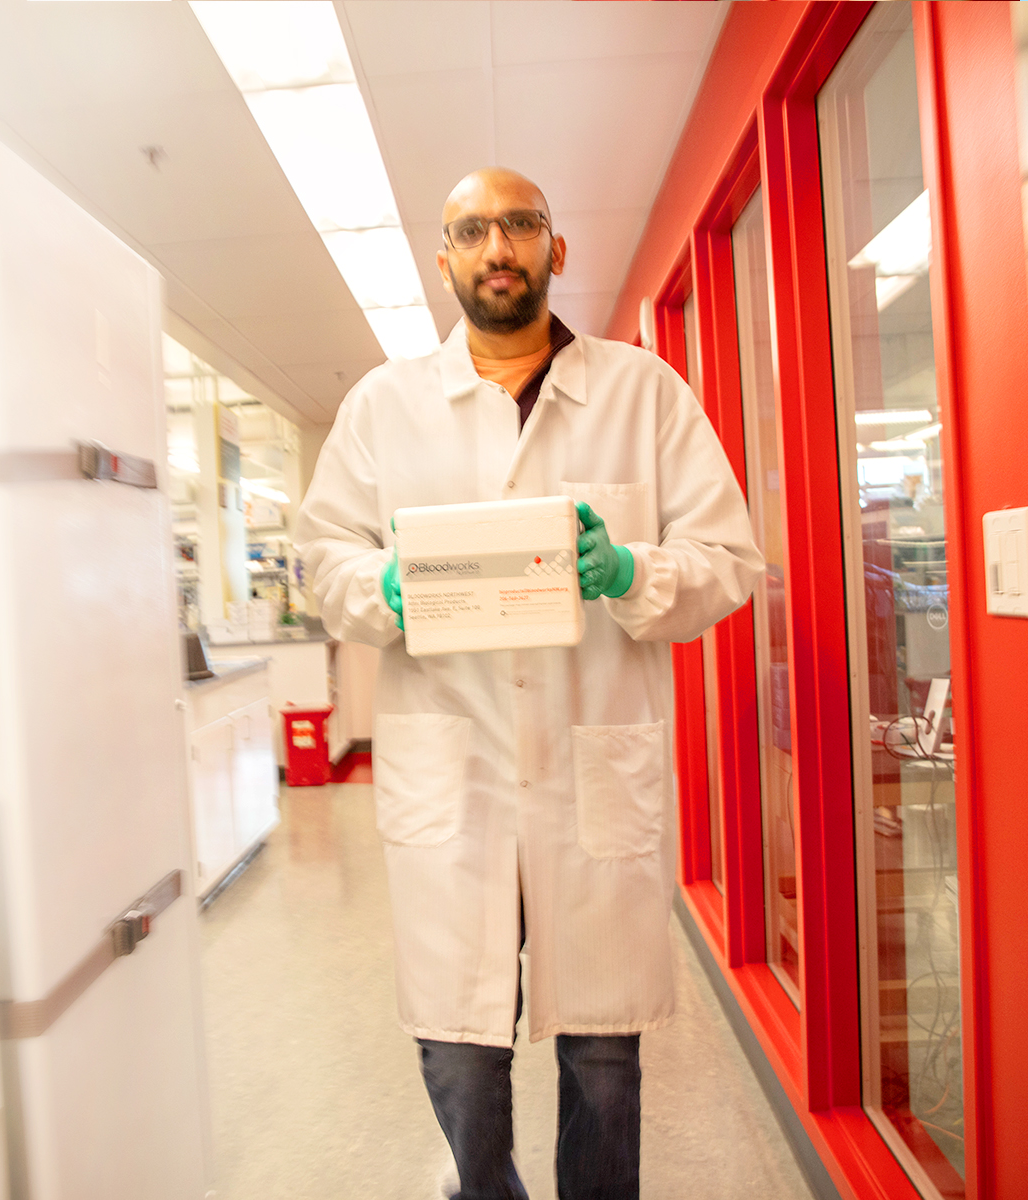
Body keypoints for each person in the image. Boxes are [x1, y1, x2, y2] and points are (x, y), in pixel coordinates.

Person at [293, 168, 763, 1200]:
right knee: (459, 1052)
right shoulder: (382, 408)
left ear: (556, 248)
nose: (494, 246)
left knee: (601, 1058)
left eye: (517, 224)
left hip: (590, 770)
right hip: (447, 773)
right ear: (444, 259)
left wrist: (633, 571)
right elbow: (320, 560)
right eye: (469, 230)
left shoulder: (644, 393)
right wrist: (378, 591)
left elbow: (730, 558)